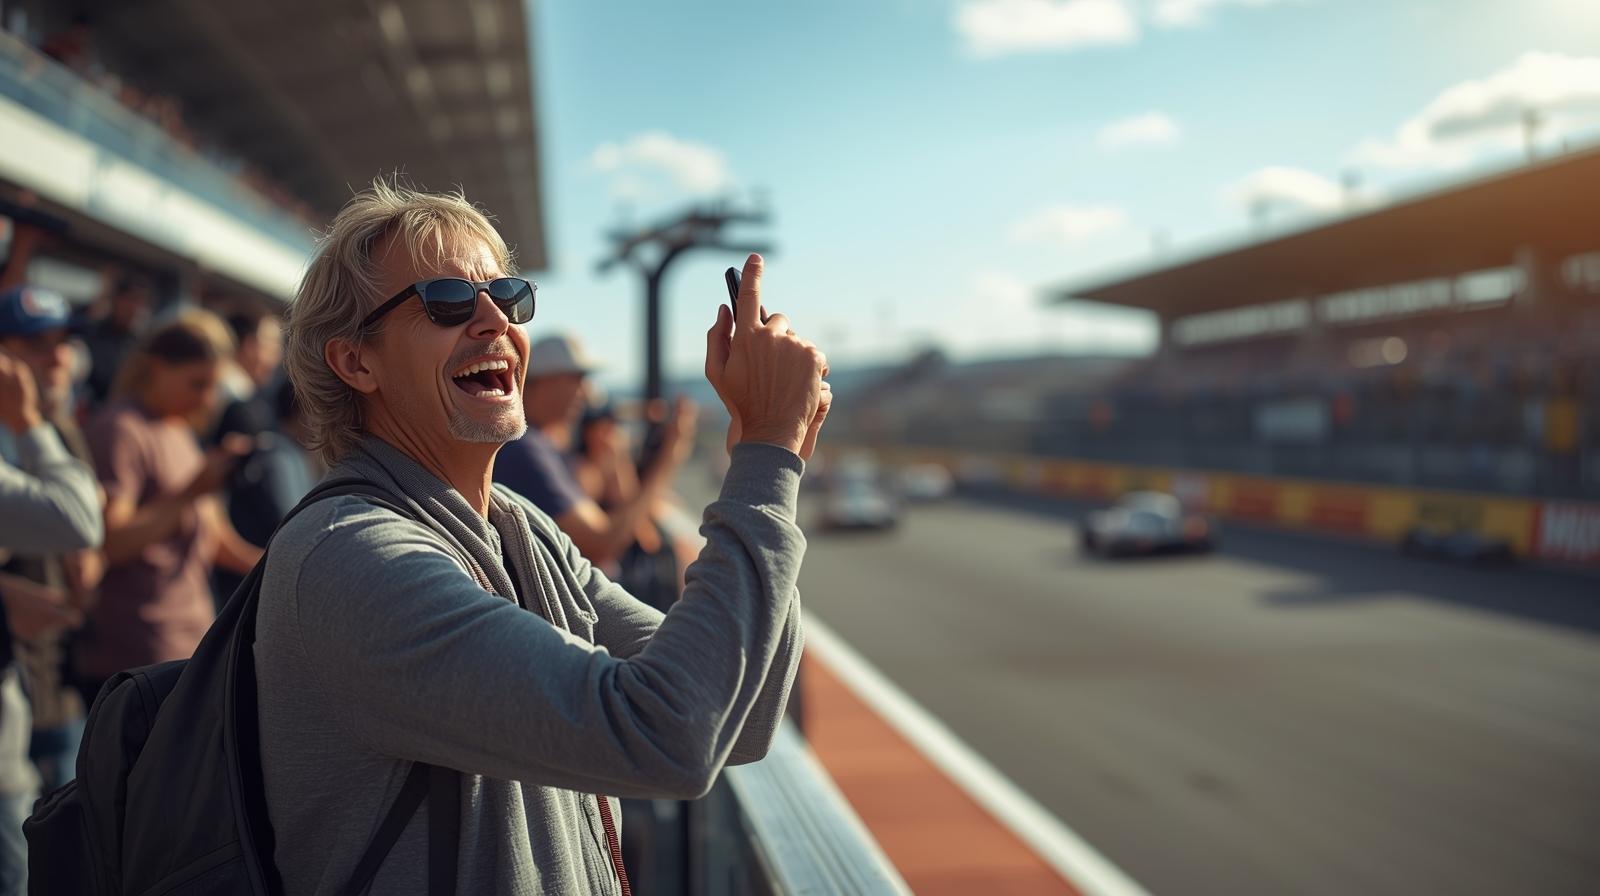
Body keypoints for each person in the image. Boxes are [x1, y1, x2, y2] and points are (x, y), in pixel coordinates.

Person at [261, 180, 828, 894]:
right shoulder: (352, 559)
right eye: (447, 301)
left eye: (509, 295)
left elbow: (734, 717)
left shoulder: (517, 526)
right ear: (355, 362)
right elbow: (672, 735)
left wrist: (773, 447)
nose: (495, 320)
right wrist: (766, 460)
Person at [76, 309, 263, 703]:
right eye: (197, 384)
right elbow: (112, 542)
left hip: (188, 643)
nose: (206, 400)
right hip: (138, 656)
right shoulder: (122, 429)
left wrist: (274, 564)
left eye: (213, 386)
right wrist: (192, 491)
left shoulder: (178, 429)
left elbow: (213, 540)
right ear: (158, 368)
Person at [0, 288, 104, 896]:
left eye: (62, 341)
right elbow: (81, 523)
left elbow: (87, 562)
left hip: (55, 665)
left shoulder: (61, 425)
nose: (56, 357)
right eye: (35, 345)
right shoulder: (30, 425)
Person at [497, 333, 698, 576]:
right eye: (578, 379)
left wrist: (611, 462)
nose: (586, 392)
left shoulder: (541, 444)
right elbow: (603, 543)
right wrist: (670, 455)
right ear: (542, 383)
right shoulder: (525, 450)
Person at [81, 275, 153, 405]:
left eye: (141, 303)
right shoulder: (90, 334)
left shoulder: (143, 345)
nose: (135, 309)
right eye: (131, 299)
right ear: (116, 299)